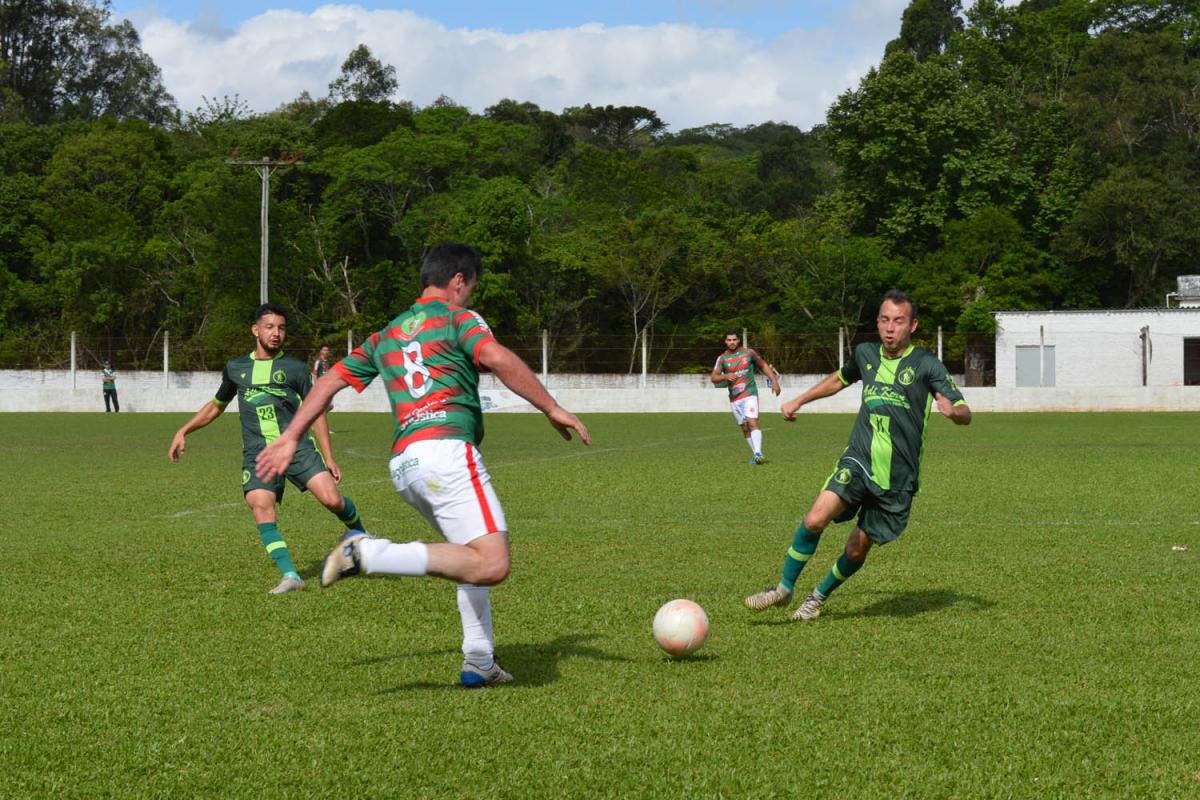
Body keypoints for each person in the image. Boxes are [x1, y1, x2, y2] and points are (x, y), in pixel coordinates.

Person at [256, 243, 591, 687]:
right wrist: (551, 407)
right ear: (458, 281)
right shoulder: (458, 319)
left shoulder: (386, 334)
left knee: (468, 556)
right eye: (470, 288)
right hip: (447, 452)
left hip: (406, 463)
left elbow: (332, 379)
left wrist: (291, 435)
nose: (469, 297)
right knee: (492, 564)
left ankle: (479, 660)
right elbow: (494, 356)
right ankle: (370, 553)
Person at [744, 290, 972, 620]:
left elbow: (965, 410)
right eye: (884, 320)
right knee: (815, 518)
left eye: (898, 321)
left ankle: (817, 597)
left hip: (897, 477)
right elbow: (839, 379)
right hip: (859, 458)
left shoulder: (926, 364)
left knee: (855, 548)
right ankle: (783, 589)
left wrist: (955, 413)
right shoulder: (865, 353)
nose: (890, 328)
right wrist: (799, 401)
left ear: (913, 326)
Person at [168, 302, 369, 594]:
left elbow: (317, 413)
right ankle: (291, 575)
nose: (276, 334)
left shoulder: (296, 369)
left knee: (332, 500)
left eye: (281, 328)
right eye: (270, 327)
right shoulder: (236, 368)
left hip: (297, 448)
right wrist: (184, 429)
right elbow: (216, 406)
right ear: (256, 330)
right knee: (261, 505)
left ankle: (363, 539)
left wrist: (328, 456)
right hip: (259, 455)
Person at [711, 329, 781, 464]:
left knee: (752, 422)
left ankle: (758, 453)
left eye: (734, 340)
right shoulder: (722, 358)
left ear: (738, 340)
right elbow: (714, 377)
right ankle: (755, 454)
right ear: (725, 342)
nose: (732, 342)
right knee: (744, 428)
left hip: (750, 394)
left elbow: (764, 366)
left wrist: (774, 381)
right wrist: (725, 376)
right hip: (734, 398)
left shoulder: (749, 353)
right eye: (729, 340)